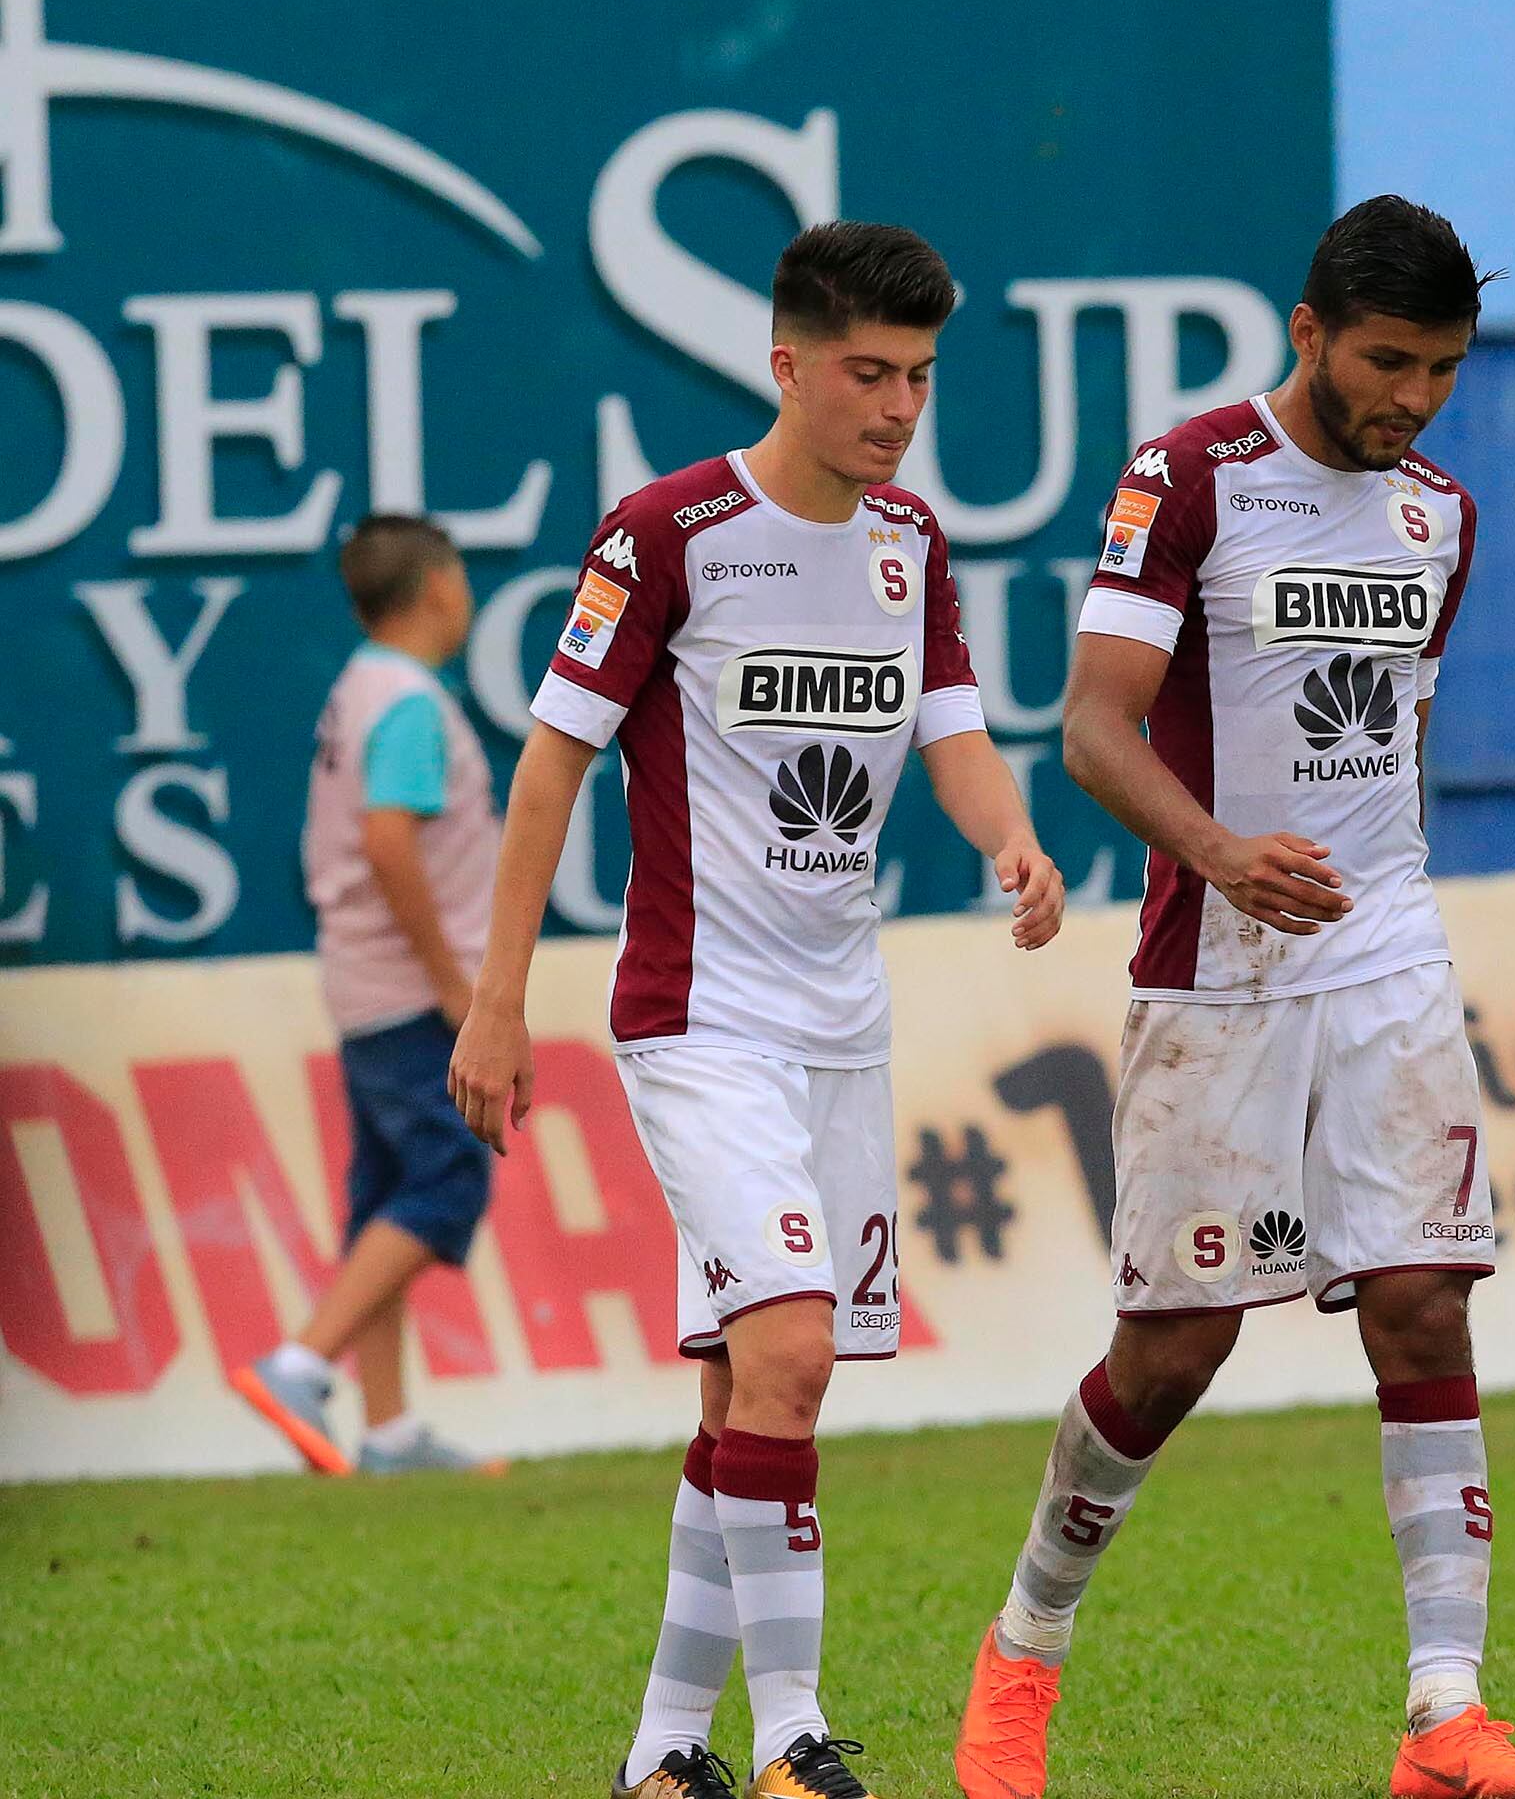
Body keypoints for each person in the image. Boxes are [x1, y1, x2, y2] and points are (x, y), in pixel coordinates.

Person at [951, 197, 1515, 1799]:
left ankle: (1447, 1712)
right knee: (1174, 1355)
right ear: (1309, 333)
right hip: (1217, 975)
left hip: (1387, 960)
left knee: (1423, 1300)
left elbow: (1389, 738)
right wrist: (1223, 853)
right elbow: (1094, 730)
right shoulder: (1189, 477)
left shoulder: (1440, 516)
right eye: (1389, 362)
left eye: (1442, 370)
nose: (1415, 399)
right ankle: (1024, 1647)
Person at [448, 221, 1066, 1799]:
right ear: (787, 365)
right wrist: (498, 1002)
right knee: (789, 1350)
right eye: (868, 374)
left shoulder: (911, 542)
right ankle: (793, 1737)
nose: (899, 408)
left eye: (920, 376)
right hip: (700, 1015)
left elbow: (954, 733)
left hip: (841, 1029)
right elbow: (550, 765)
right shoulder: (669, 533)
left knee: (748, 1387)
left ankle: (665, 1757)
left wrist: (1009, 836)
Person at [231, 515, 503, 1478]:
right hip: (408, 992)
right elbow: (390, 841)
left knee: (385, 1196)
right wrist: (452, 983)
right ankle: (300, 1365)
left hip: (362, 985)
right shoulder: (411, 702)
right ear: (437, 589)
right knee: (447, 1178)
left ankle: (387, 1433)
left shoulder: (360, 685)